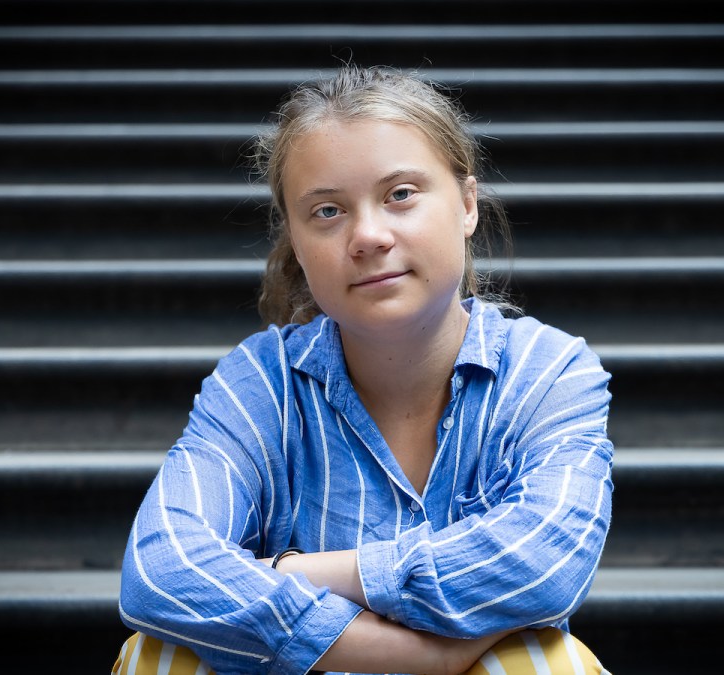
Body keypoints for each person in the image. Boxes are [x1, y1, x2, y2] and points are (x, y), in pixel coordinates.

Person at [113, 65, 614, 675]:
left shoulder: (549, 373)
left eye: (401, 194)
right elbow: (161, 569)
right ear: (295, 241)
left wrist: (300, 572)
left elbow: (544, 563)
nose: (368, 236)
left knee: (545, 663)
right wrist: (407, 657)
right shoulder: (260, 383)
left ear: (466, 204)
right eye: (327, 211)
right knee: (157, 654)